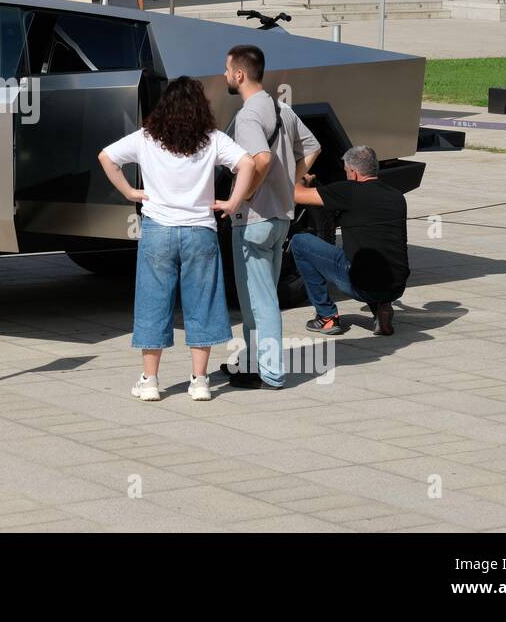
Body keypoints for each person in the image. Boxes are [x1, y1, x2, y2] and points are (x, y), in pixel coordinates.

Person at [99, 77, 255, 402]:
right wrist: (233, 202)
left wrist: (129, 191)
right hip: (200, 230)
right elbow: (248, 163)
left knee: (153, 303)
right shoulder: (212, 139)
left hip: (158, 229)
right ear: (201, 107)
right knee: (204, 303)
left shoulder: (146, 138)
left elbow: (106, 157)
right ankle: (200, 381)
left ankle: (151, 380)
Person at [221, 44, 320, 390]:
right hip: (281, 218)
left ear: (240, 74)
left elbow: (260, 160)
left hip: (254, 220)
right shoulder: (281, 109)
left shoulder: (248, 115)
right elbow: (312, 147)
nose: (224, 75)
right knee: (255, 300)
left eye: (227, 69)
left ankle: (273, 373)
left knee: (260, 303)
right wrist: (291, 182)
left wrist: (245, 194)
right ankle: (251, 364)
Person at [290, 145, 409, 337]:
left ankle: (326, 316)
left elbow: (296, 194)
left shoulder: (348, 191)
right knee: (377, 250)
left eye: (346, 171)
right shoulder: (396, 196)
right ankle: (382, 309)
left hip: (362, 285)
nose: (346, 175)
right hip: (397, 285)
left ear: (353, 173)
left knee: (300, 242)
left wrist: (303, 179)